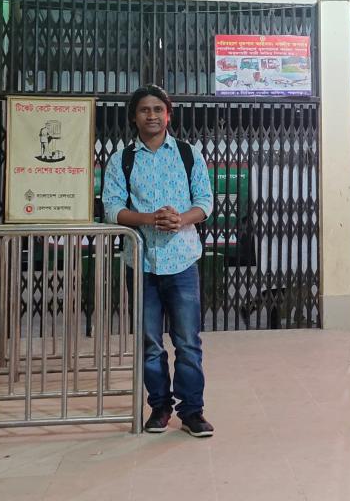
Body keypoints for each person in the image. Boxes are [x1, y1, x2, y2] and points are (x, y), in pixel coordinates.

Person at [102, 84, 215, 437]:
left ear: (168, 114)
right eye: (144, 110)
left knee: (187, 342)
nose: (151, 115)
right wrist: (151, 218)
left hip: (183, 262)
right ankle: (160, 409)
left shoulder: (188, 153)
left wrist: (181, 218)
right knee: (150, 344)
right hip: (142, 266)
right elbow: (111, 209)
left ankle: (192, 412)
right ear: (134, 117)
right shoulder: (122, 159)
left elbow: (206, 203)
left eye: (157, 109)